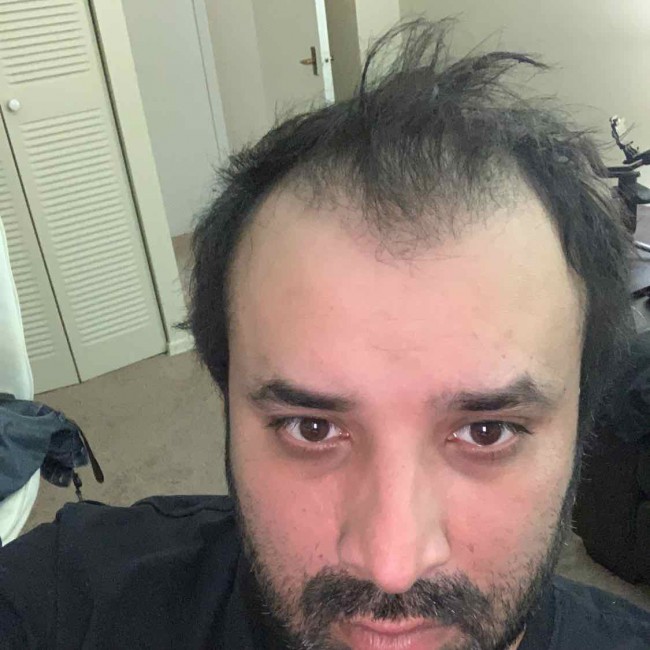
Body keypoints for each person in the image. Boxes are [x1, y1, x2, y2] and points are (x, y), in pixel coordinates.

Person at [1, 18, 649, 650]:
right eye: (311, 428)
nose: (391, 565)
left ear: (581, 429)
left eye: (487, 432)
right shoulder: (69, 595)